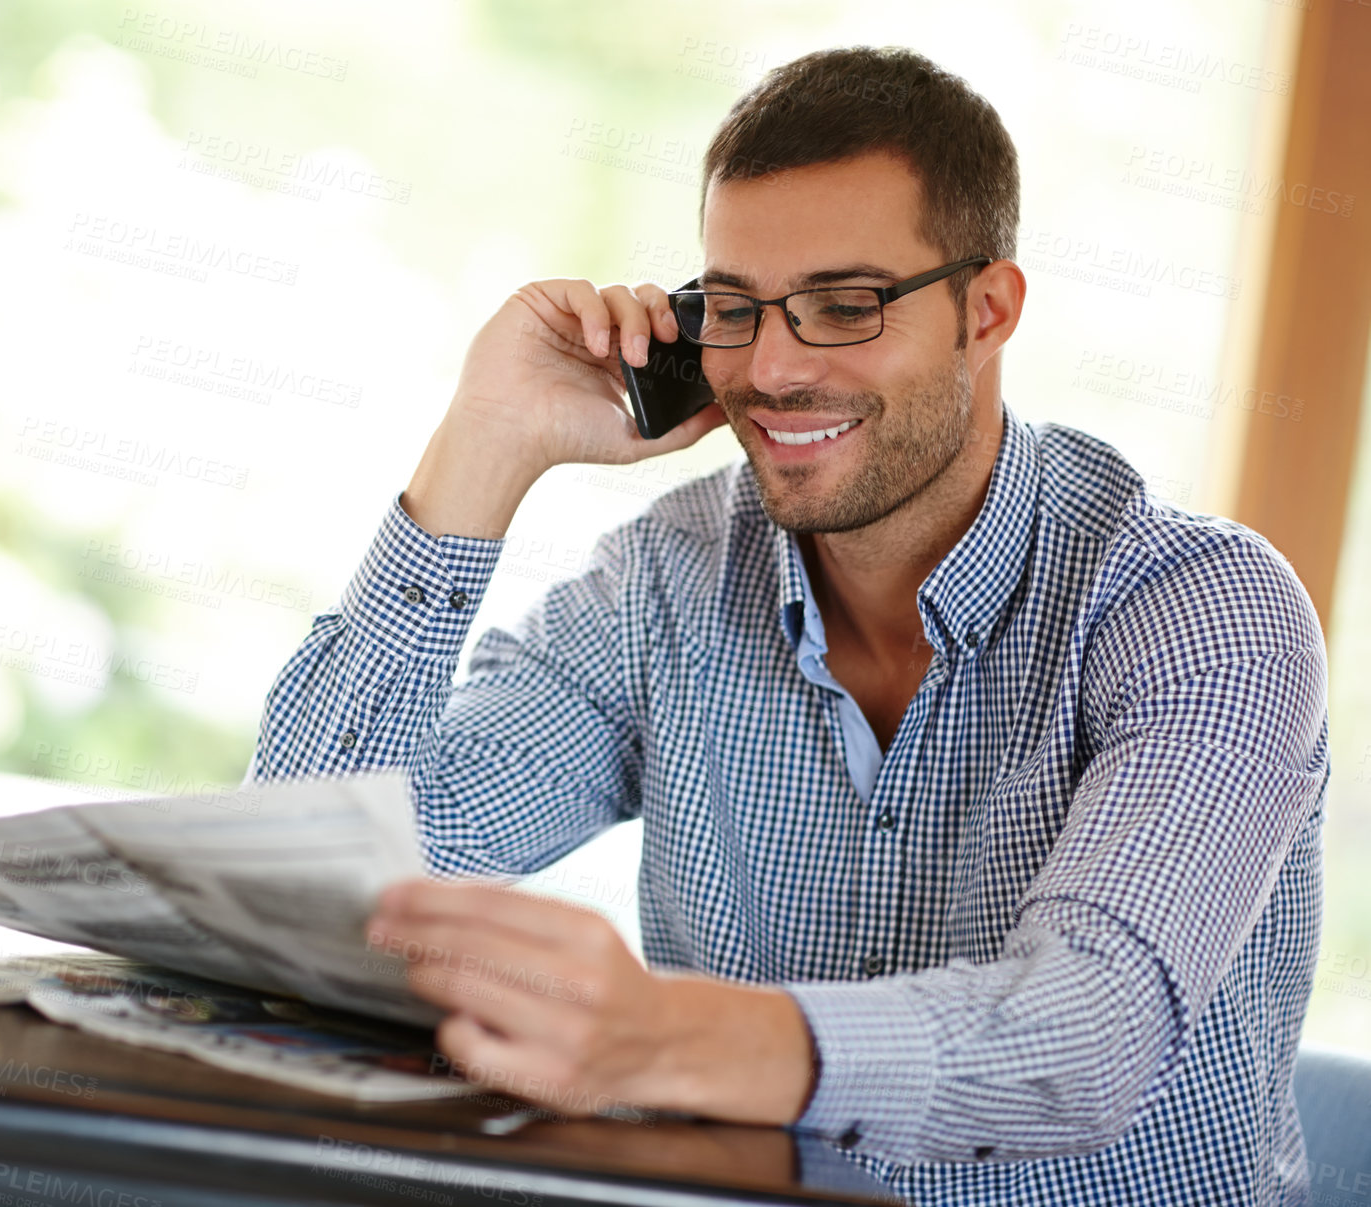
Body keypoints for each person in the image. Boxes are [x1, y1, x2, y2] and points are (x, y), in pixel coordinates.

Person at [245, 45, 1330, 1206]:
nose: (769, 366)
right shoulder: (663, 580)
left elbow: (1081, 1037)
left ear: (986, 310)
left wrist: (660, 1034)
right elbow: (309, 877)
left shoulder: (1203, 612)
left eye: (842, 305)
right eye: (733, 308)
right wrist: (486, 442)